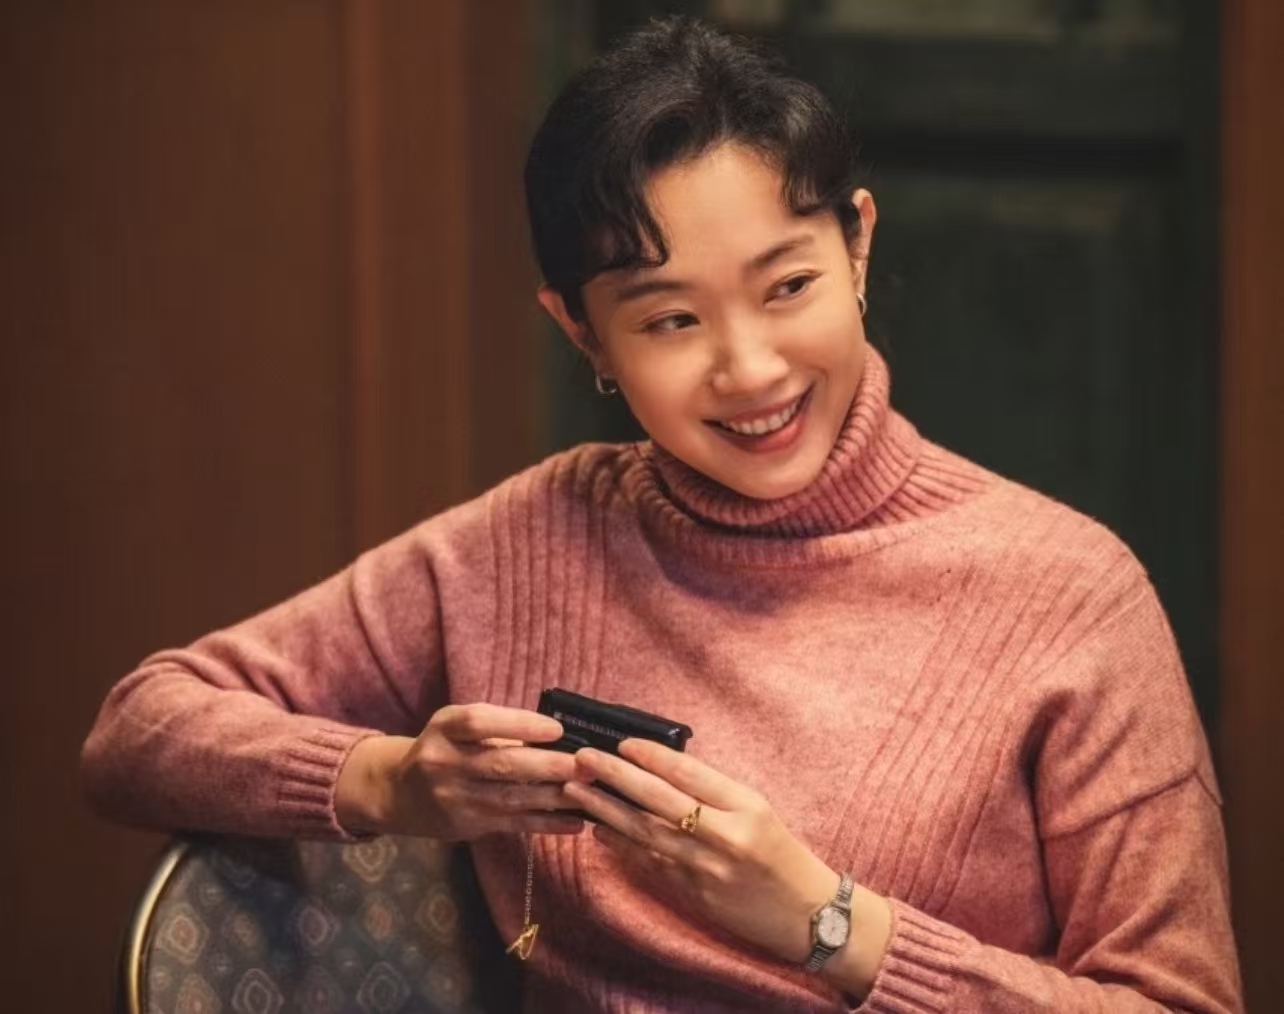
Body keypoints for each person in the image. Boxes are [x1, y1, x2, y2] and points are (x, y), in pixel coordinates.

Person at [80, 16, 1242, 1013]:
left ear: (858, 245)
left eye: (789, 286)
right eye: (671, 320)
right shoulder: (528, 542)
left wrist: (832, 926)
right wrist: (392, 782)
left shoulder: (1070, 597)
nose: (749, 369)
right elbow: (141, 730)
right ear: (582, 332)